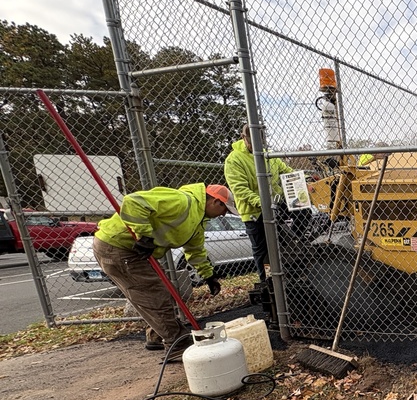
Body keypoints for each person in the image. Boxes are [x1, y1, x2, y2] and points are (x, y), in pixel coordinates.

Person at [93, 184, 236, 360]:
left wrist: (208, 275)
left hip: (135, 251)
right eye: (225, 211)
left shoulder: (199, 220)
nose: (223, 215)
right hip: (119, 246)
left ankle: (156, 336)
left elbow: (195, 250)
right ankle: (177, 344)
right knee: (154, 294)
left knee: (155, 292)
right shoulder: (183, 201)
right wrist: (144, 235)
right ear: (216, 201)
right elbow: (134, 201)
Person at [224, 123, 290, 283]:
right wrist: (263, 202)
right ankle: (266, 281)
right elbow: (240, 189)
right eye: (252, 143)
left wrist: (302, 179)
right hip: (254, 212)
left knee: (302, 215)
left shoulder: (268, 156)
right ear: (243, 138)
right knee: (261, 249)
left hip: (276, 205)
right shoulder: (234, 160)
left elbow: (286, 171)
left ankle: (288, 274)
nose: (256, 147)